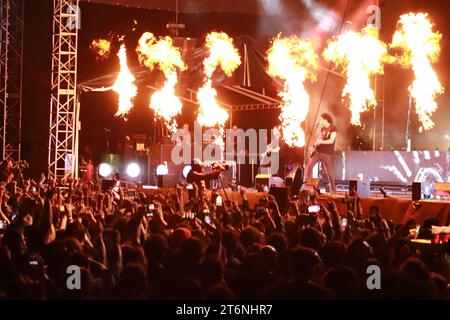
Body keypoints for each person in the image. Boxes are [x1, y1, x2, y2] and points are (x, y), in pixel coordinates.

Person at [306, 113, 337, 193]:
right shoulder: (322, 129)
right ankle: (310, 186)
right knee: (309, 166)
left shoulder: (333, 128)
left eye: (321, 119)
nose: (320, 121)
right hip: (317, 152)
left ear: (325, 119)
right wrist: (313, 146)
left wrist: (321, 141)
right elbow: (318, 140)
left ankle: (333, 190)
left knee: (329, 172)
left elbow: (331, 141)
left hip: (327, 153)